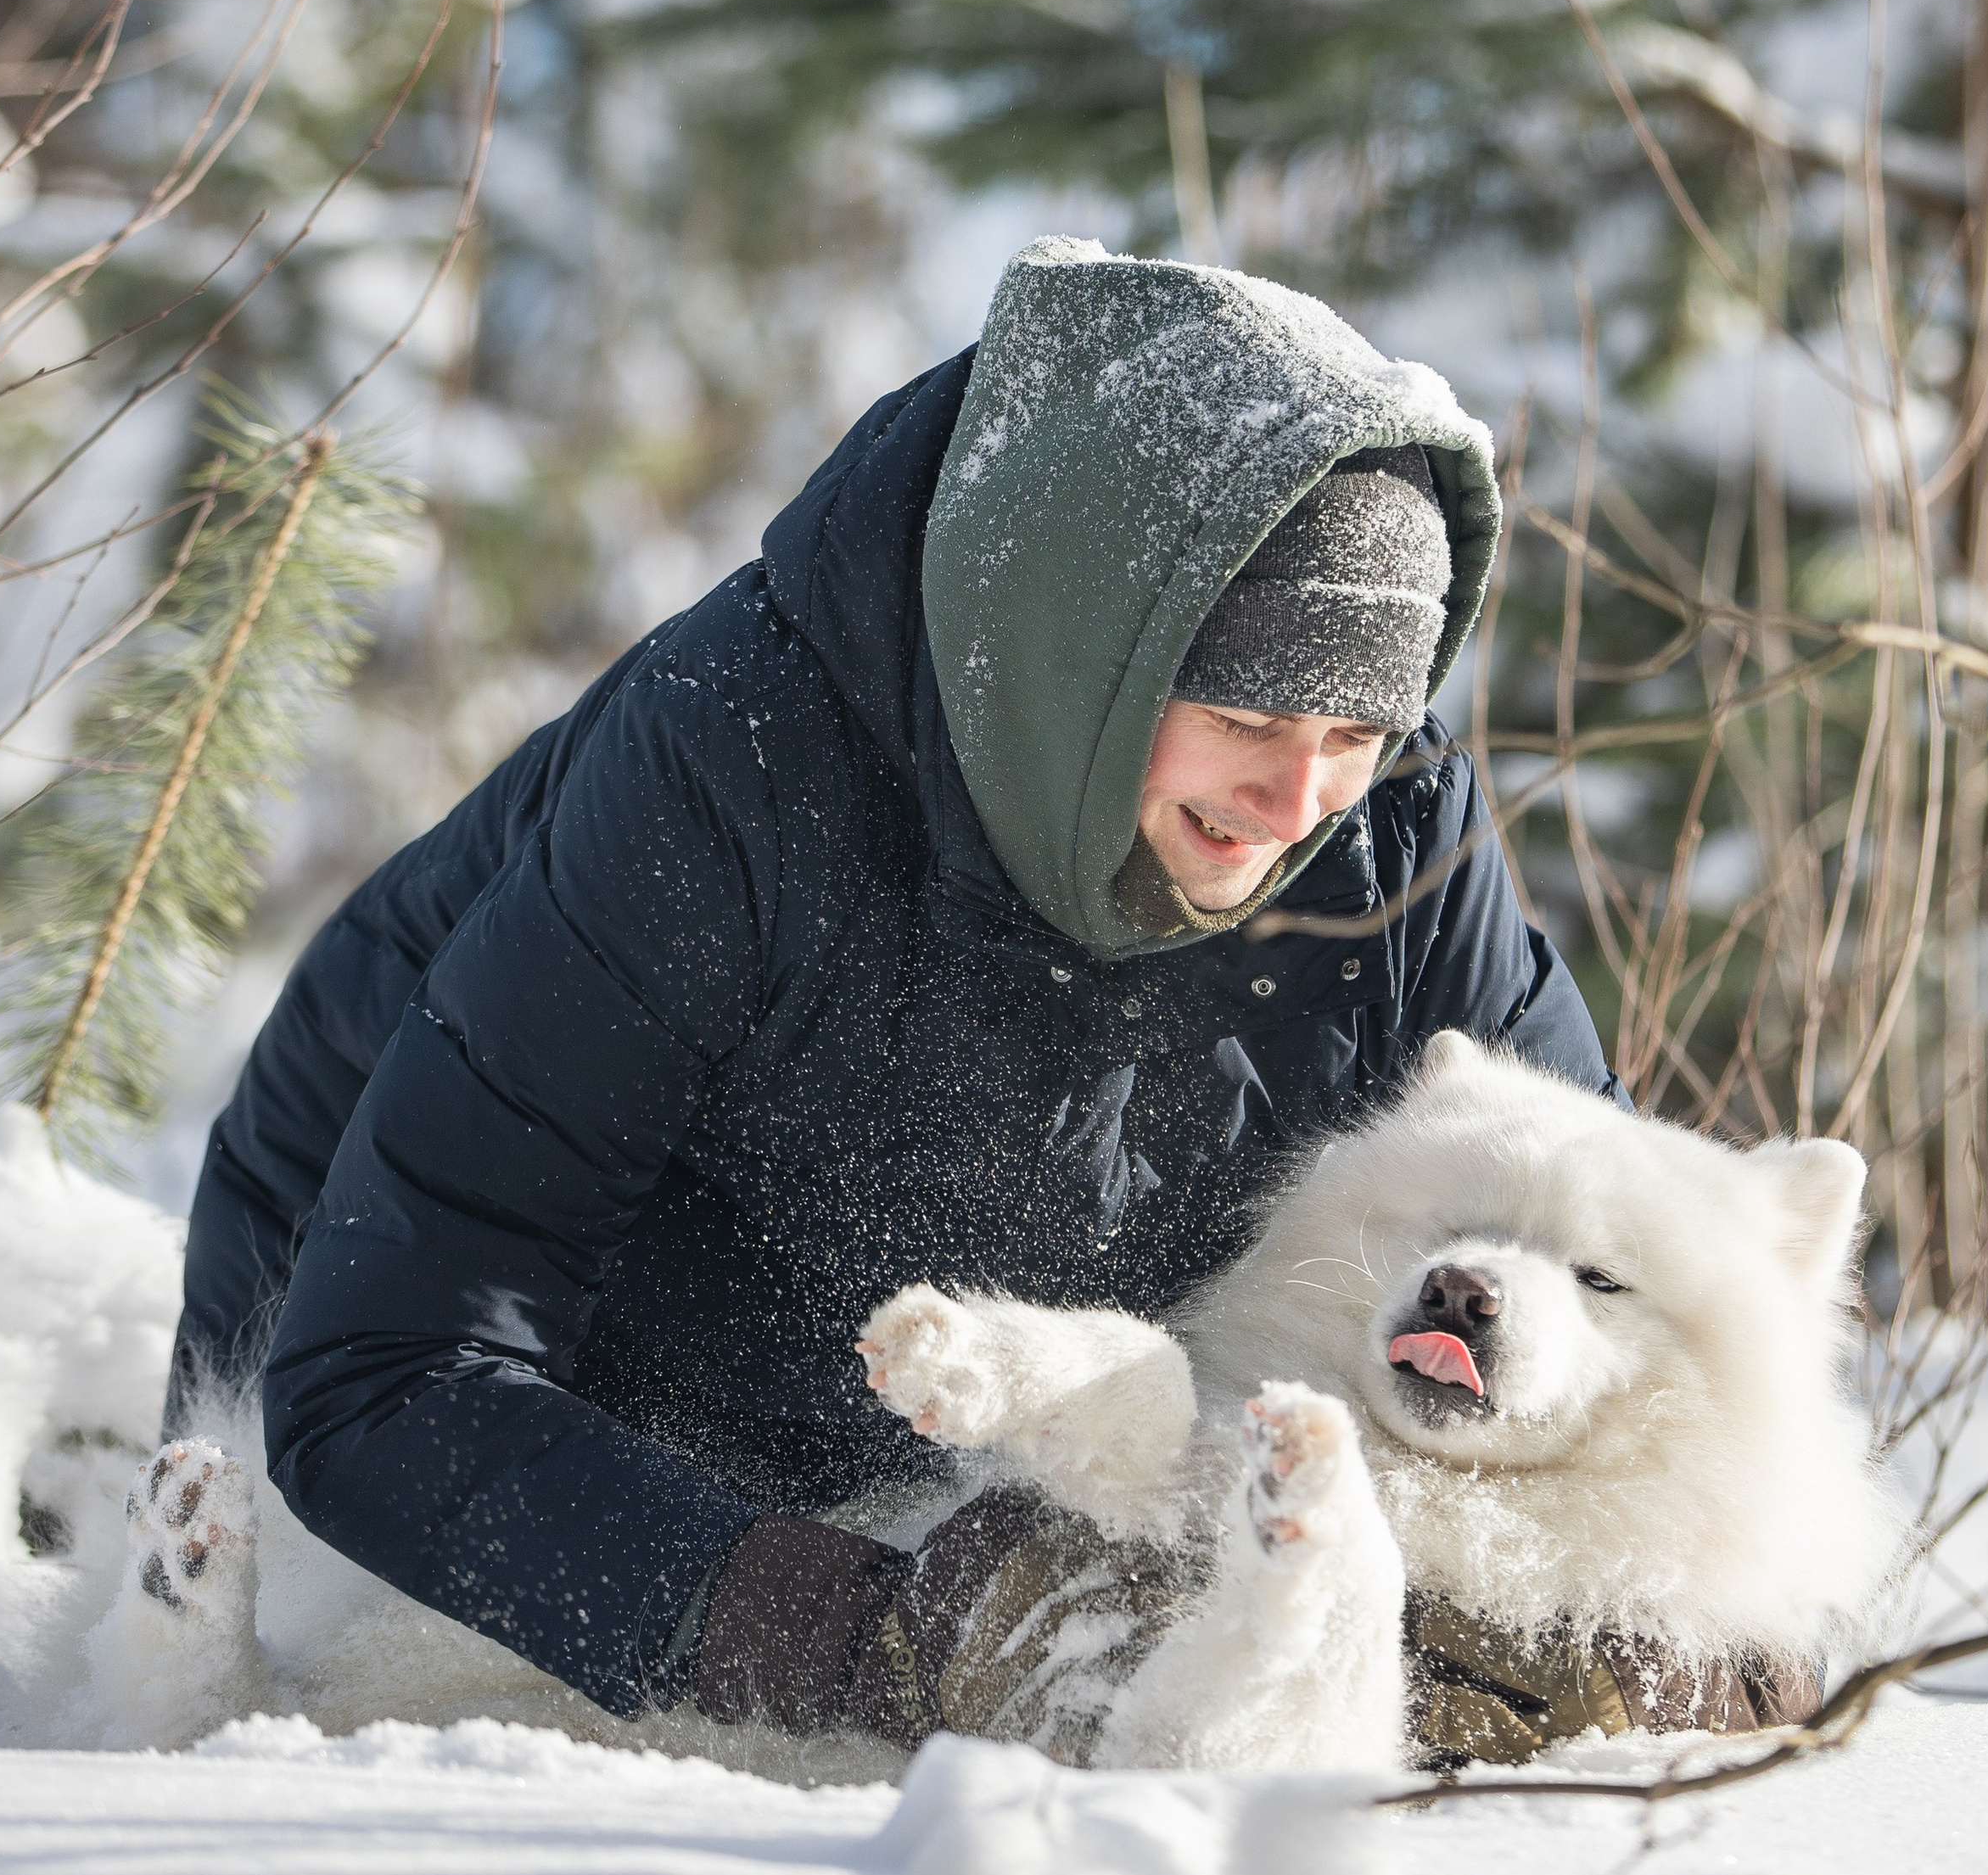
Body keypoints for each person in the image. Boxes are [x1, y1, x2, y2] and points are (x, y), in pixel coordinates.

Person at [170, 237, 1615, 1747]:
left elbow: (1616, 1252)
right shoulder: (732, 768)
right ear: (1095, 652)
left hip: (942, 1431)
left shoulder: (1386, 829)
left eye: (1362, 727)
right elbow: (384, 1375)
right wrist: (885, 1641)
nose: (1297, 798)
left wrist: (1666, 1628)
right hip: (462, 1351)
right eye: (1247, 711)